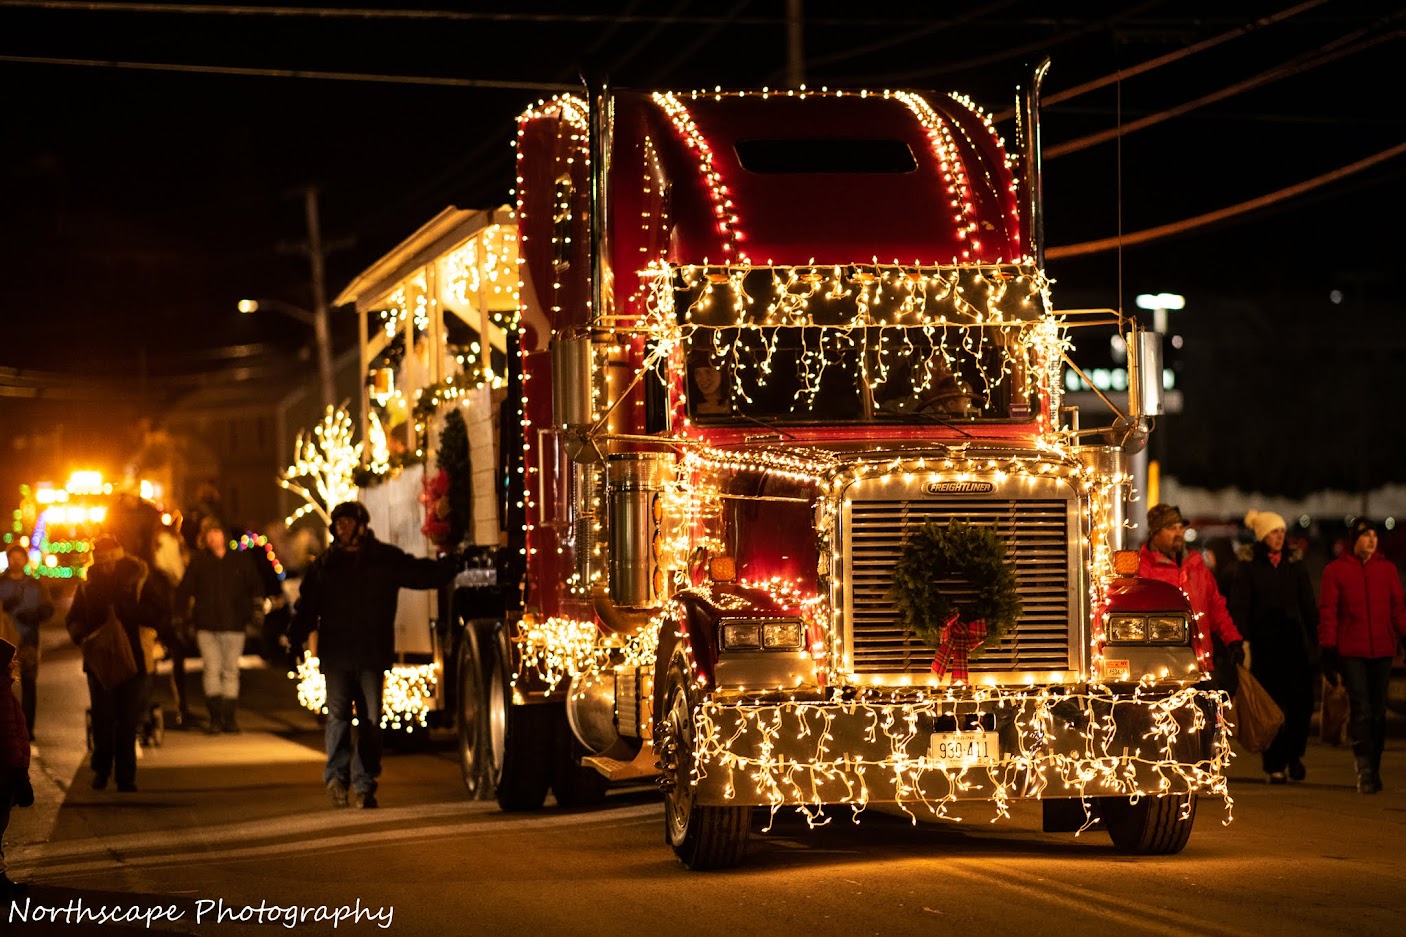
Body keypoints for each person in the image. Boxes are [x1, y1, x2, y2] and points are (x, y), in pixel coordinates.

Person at [286, 501, 454, 809]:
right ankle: (337, 780)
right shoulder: (325, 564)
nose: (342, 528)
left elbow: (420, 574)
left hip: (371, 656)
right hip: (336, 656)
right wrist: (295, 638)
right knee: (337, 719)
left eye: (348, 522)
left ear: (362, 525)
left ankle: (365, 785)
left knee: (371, 722)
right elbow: (307, 606)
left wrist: (452, 564)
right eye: (338, 524)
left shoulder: (383, 560)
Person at [66, 536, 164, 792]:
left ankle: (126, 776)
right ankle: (101, 770)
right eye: (102, 561)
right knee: (102, 718)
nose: (107, 566)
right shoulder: (88, 586)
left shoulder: (137, 580)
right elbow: (74, 618)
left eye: (111, 560)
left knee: (127, 720)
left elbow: (159, 612)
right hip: (100, 662)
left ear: (119, 558)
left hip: (133, 659)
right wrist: (81, 636)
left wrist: (131, 612)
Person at [1230, 509, 1318, 784]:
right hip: (1265, 646)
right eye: (1273, 532)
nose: (1279, 537)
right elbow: (1241, 607)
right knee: (1272, 706)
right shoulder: (1249, 566)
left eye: (1281, 531)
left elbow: (1308, 605)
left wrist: (1318, 638)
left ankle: (1294, 754)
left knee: (1301, 703)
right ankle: (1275, 763)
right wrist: (1241, 642)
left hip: (1294, 643)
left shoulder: (1295, 564)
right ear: (1262, 535)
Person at [1318, 517, 1406, 794]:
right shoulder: (1336, 571)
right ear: (1354, 539)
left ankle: (1375, 762)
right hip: (1351, 651)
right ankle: (1365, 768)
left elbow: (1398, 610)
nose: (1371, 540)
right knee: (1362, 708)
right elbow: (1328, 613)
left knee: (1378, 711)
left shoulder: (1387, 570)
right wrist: (1328, 650)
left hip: (1381, 650)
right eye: (1365, 535)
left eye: (1374, 535)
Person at [1138, 504, 1245, 693]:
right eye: (1171, 528)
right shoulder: (1143, 569)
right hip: (1163, 670)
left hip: (1201, 665)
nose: (1179, 533)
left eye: (1181, 527)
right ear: (1155, 534)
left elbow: (1216, 606)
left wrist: (1233, 640)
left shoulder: (1195, 564)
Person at [176, 518, 263, 734]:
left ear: (224, 534)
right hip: (207, 624)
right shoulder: (200, 562)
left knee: (230, 670)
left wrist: (254, 613)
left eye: (216, 532)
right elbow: (184, 590)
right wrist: (180, 616)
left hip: (234, 624)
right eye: (208, 533)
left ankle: (229, 717)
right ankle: (216, 717)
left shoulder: (240, 560)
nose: (212, 537)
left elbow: (255, 586)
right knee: (212, 669)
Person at [0, 544, 53, 740]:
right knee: (4, 687)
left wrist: (35, 614)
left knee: (29, 685)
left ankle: (27, 729)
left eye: (19, 557)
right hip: (3, 643)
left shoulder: (35, 584)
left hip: (29, 640)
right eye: (12, 557)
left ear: (25, 559)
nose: (16, 560)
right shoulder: (1, 583)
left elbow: (48, 609)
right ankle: (7, 729)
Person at [1, 638, 34, 901]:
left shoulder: (4, 691)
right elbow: (8, 735)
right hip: (4, 772)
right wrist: (19, 769)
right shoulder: (1, 694)